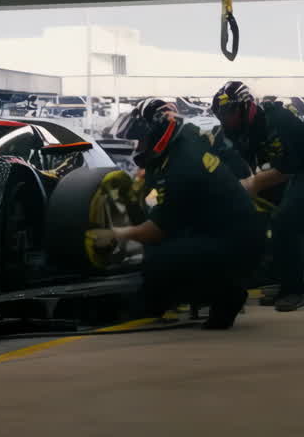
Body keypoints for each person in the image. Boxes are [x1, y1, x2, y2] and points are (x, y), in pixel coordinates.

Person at [91, 98, 263, 329]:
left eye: (141, 140)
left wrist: (116, 234)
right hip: (225, 227)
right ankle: (172, 298)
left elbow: (156, 231)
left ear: (156, 134)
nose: (137, 147)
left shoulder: (182, 167)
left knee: (162, 257)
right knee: (164, 247)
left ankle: (227, 296)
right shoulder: (183, 140)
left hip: (238, 242)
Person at [211, 81, 304, 312]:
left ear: (246, 107)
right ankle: (287, 280)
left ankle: (295, 290)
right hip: (301, 170)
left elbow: (285, 168)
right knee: (280, 218)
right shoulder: (239, 130)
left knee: (287, 220)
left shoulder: (278, 120)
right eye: (221, 114)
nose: (225, 119)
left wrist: (250, 184)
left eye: (229, 112)